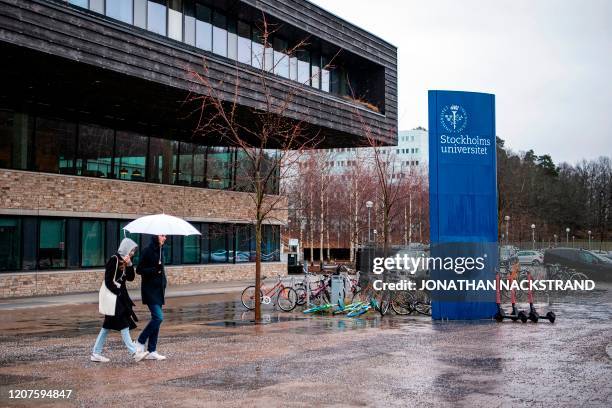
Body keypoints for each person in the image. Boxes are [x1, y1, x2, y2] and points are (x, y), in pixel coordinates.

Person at [91, 238, 148, 363]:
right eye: (131, 250)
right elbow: (108, 280)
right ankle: (134, 352)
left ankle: (96, 352)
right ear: (126, 249)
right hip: (113, 297)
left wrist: (129, 264)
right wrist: (117, 292)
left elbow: (131, 278)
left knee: (107, 326)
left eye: (134, 251)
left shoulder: (125, 261)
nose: (133, 253)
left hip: (120, 298)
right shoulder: (114, 260)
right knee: (123, 324)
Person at [135, 235, 168, 361]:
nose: (164, 238)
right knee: (158, 317)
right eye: (162, 235)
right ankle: (140, 340)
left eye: (165, 236)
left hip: (159, 290)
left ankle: (152, 350)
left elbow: (161, 271)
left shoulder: (161, 250)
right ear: (156, 236)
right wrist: (154, 269)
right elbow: (139, 270)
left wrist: (164, 282)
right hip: (150, 290)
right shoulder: (147, 250)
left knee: (157, 320)